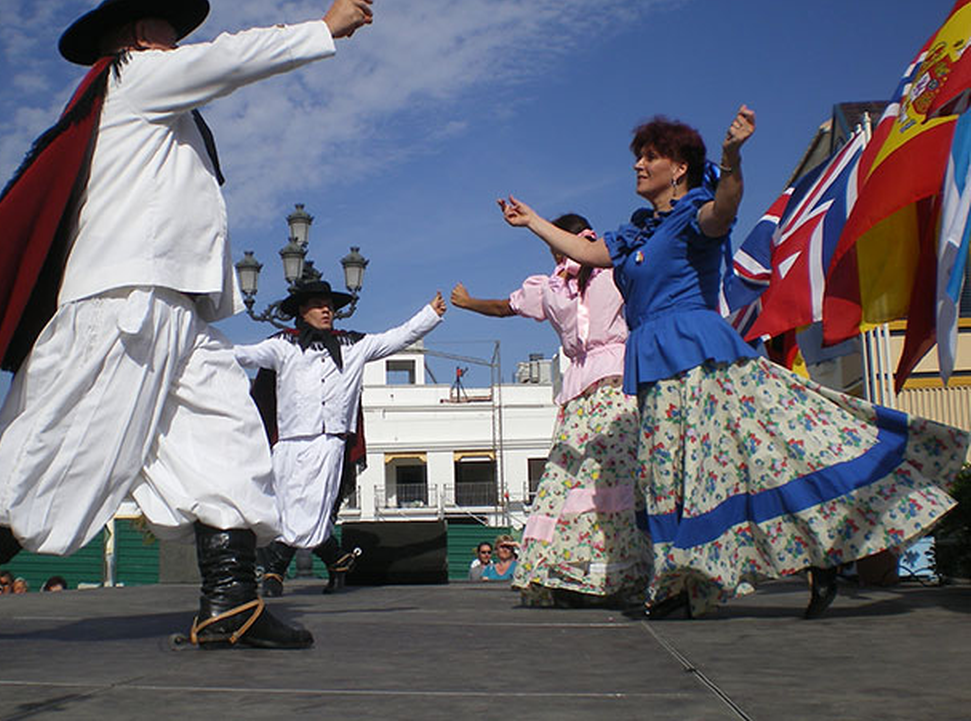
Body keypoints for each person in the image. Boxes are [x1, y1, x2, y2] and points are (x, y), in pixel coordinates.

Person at [0, 0, 374, 649]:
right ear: (144, 34)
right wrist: (323, 29)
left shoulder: (166, 113)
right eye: (173, 35)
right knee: (69, 447)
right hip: (123, 301)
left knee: (229, 443)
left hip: (181, 310)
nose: (182, 47)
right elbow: (226, 60)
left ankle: (230, 604)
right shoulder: (132, 76)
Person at [499, 106, 970, 618]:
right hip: (655, 365)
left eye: (649, 157)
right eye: (638, 157)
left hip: (701, 357)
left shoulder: (693, 213)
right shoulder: (638, 231)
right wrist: (533, 223)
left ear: (678, 168)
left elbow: (724, 210)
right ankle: (689, 579)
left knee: (736, 465)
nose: (638, 165)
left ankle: (707, 579)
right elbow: (588, 254)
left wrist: (731, 159)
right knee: (669, 477)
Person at [452, 212, 647, 607]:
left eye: (556, 239)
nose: (553, 248)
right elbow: (506, 307)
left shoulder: (612, 264)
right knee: (565, 476)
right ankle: (559, 572)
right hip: (578, 392)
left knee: (615, 478)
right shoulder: (551, 286)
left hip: (616, 380)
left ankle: (624, 572)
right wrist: (468, 302)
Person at [234, 281, 446, 595]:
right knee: (281, 506)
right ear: (302, 311)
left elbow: (397, 338)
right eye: (319, 305)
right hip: (290, 439)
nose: (327, 310)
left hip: (329, 439)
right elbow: (244, 355)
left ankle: (275, 570)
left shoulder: (353, 344)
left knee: (315, 507)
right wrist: (198, 348)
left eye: (330, 306)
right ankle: (337, 559)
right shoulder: (282, 345)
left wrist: (429, 314)